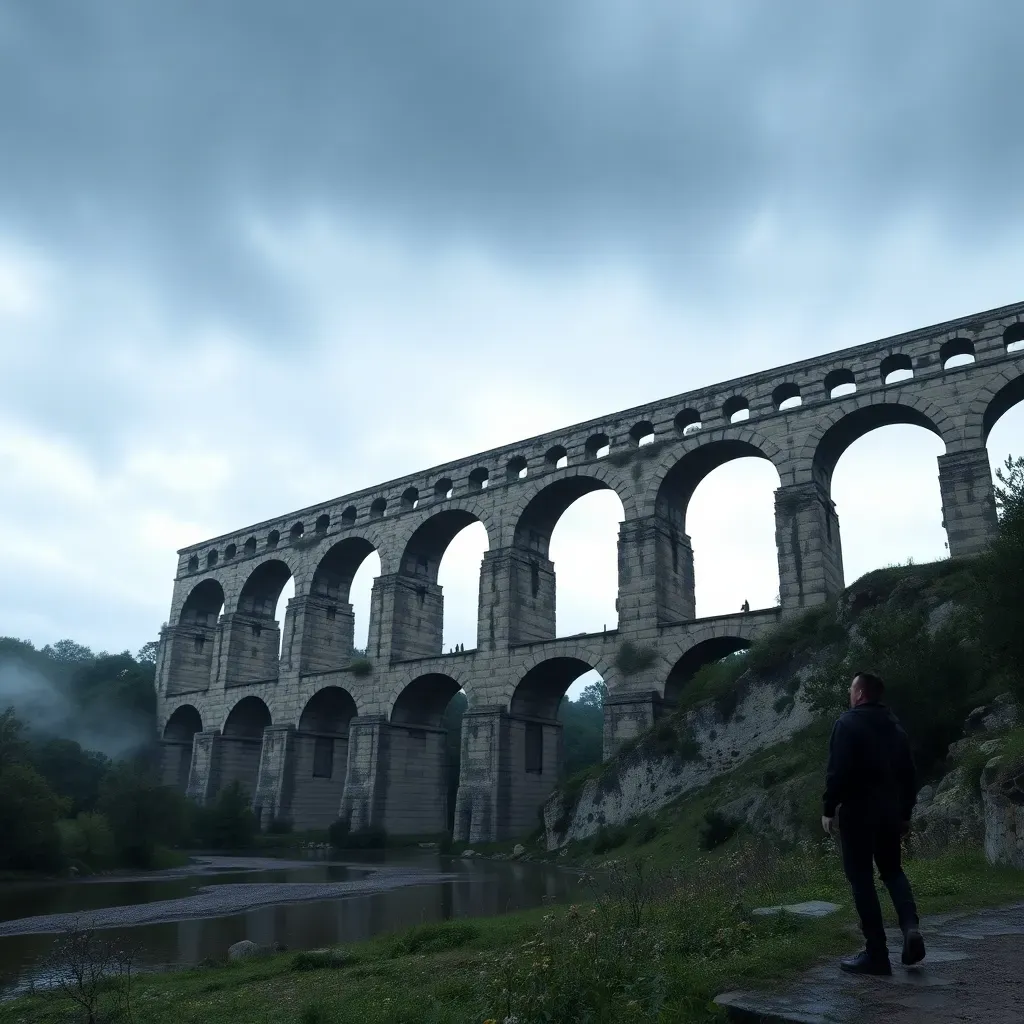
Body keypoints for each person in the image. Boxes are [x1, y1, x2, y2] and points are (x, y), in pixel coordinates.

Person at [821, 671, 926, 975]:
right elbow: (909, 775)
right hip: (890, 813)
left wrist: (828, 808)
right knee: (893, 871)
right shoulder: (896, 729)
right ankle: (910, 928)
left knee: (862, 879)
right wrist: (905, 813)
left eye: (851, 689)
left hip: (858, 813)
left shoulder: (847, 723)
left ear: (861, 694)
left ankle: (877, 954)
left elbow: (837, 772)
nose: (849, 694)